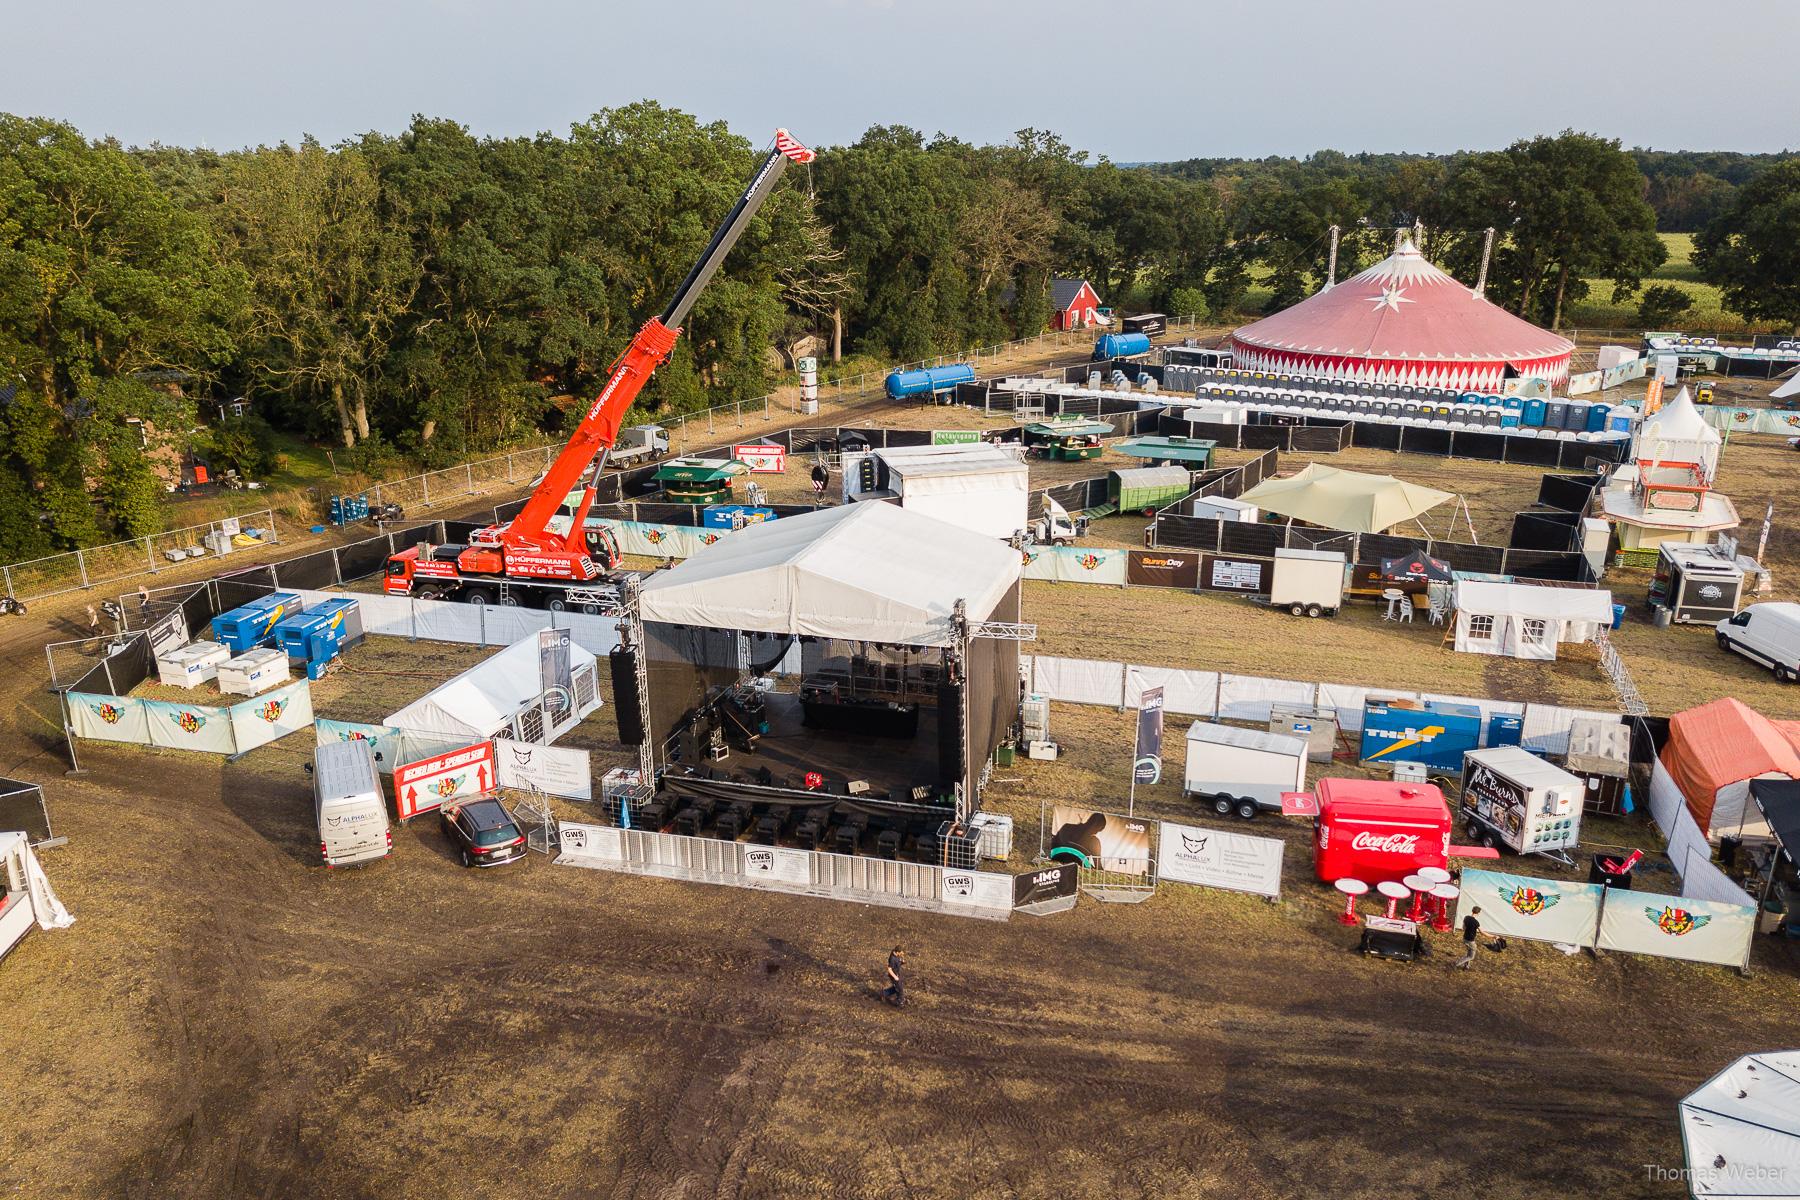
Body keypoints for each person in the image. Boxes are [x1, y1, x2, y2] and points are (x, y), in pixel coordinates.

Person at [1455, 905, 1494, 969]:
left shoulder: (1466, 917)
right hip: (1470, 941)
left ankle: (1466, 966)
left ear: (1472, 911)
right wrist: (1493, 936)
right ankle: (1457, 963)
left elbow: (1463, 928)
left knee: (1469, 953)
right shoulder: (1476, 923)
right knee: (1471, 956)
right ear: (1478, 913)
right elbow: (1482, 933)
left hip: (1465, 938)